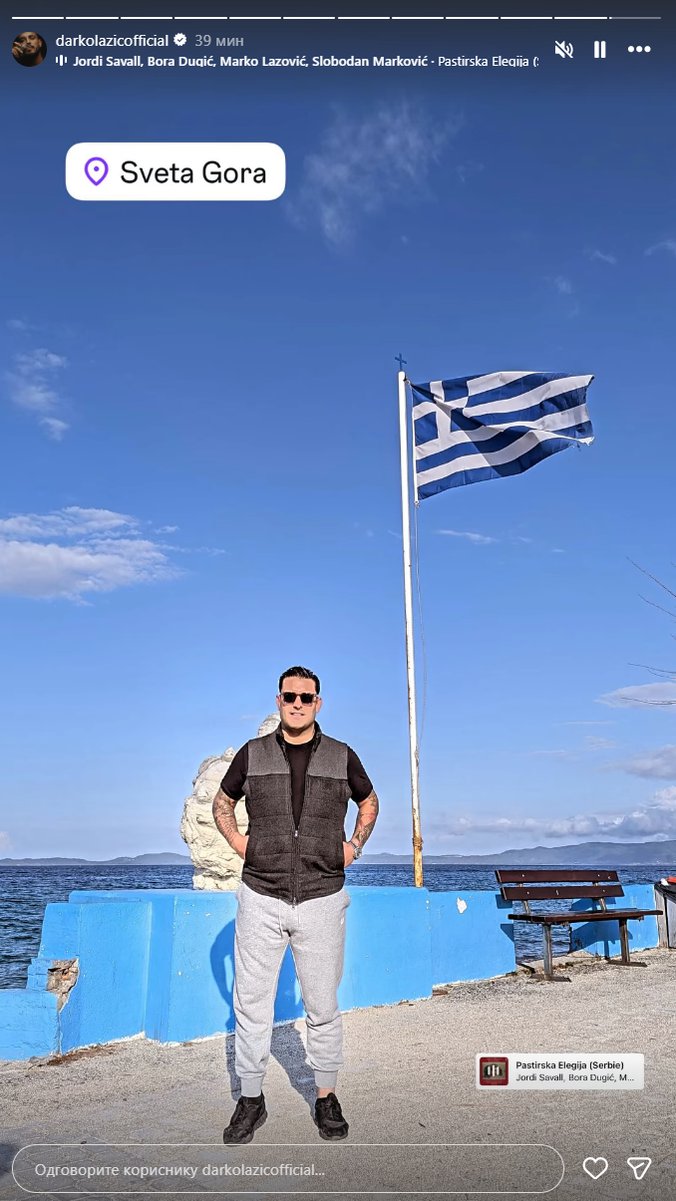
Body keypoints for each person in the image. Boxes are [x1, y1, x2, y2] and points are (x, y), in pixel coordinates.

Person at [212, 666, 379, 1145]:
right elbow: (222, 802)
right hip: (260, 894)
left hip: (322, 896)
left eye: (307, 697)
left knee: (322, 1006)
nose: (298, 704)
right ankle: (250, 1099)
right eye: (290, 696)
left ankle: (325, 1097)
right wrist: (241, 844)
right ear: (279, 700)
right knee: (250, 1005)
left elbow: (369, 802)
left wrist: (354, 847)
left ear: (318, 703)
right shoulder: (253, 753)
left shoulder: (342, 756)